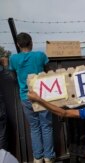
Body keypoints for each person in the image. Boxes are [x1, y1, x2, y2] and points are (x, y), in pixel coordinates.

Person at [8, 32, 55, 163]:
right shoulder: (40, 55)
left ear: (18, 44)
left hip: (26, 96)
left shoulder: (13, 59)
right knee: (46, 126)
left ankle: (38, 157)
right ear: (31, 42)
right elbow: (48, 71)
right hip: (42, 96)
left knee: (34, 127)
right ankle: (49, 157)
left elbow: (12, 75)